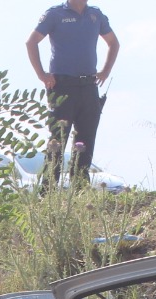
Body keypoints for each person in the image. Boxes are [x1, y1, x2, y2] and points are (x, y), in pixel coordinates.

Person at [26, 1, 120, 188]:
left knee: (85, 141)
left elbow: (113, 43)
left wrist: (105, 71)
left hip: (88, 85)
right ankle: (48, 192)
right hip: (61, 85)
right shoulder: (55, 14)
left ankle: (80, 192)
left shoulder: (95, 15)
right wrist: (42, 75)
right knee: (57, 141)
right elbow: (31, 42)